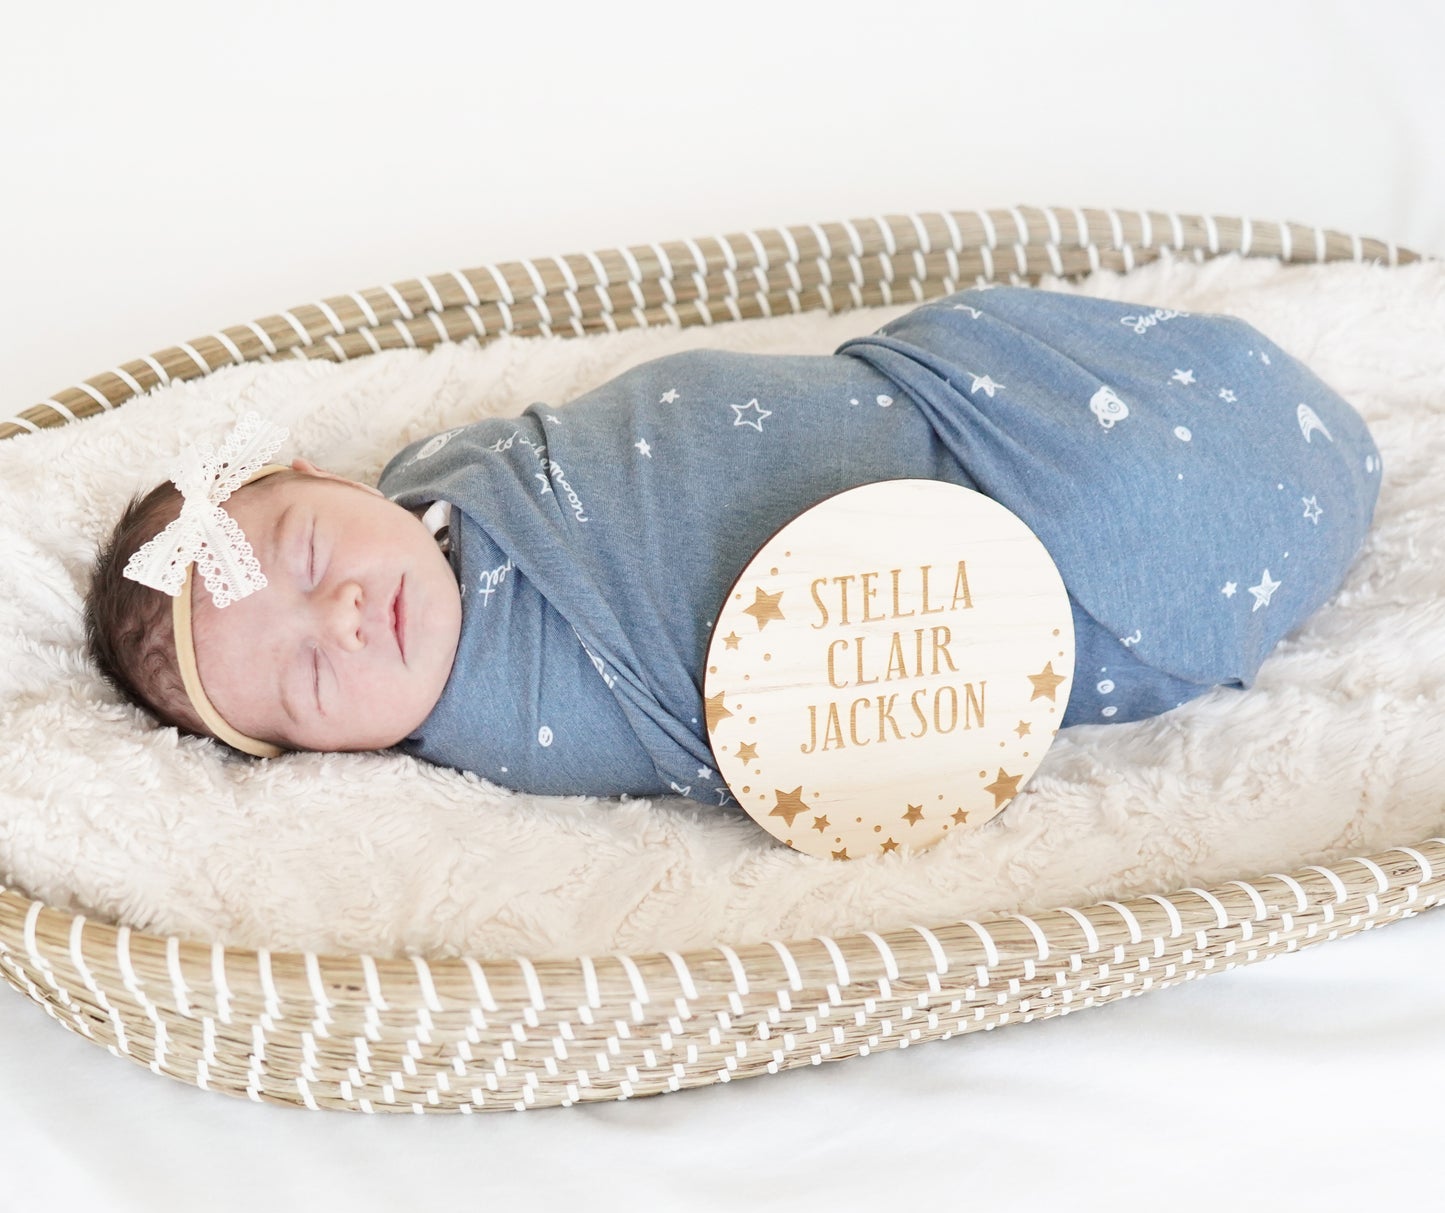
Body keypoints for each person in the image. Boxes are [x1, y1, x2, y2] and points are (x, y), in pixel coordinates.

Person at [84, 283, 1383, 810]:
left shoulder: (440, 476)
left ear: (325, 475)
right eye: (311, 681)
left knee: (1030, 378)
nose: (348, 617)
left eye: (311, 552)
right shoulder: (494, 722)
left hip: (913, 415)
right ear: (326, 754)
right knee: (1111, 533)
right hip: (929, 565)